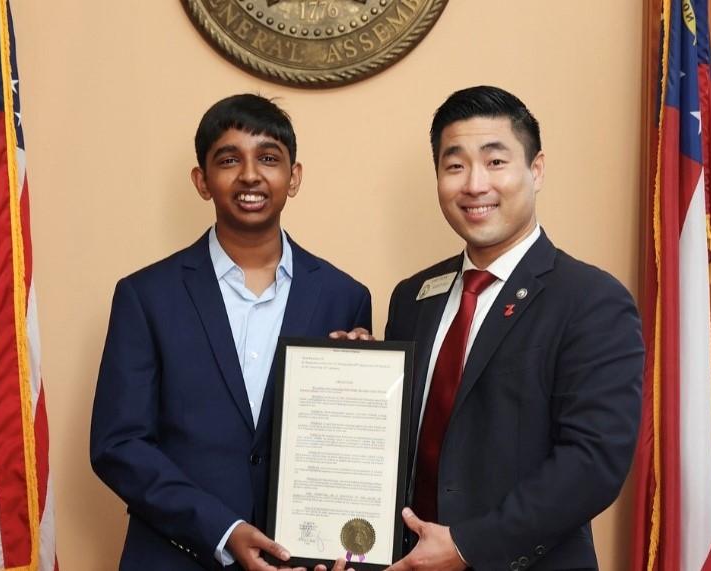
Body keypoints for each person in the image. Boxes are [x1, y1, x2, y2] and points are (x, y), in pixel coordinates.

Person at [341, 86, 644, 570]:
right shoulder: (413, 297)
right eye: (454, 165)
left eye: (496, 162)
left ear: (536, 169)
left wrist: (467, 546)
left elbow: (592, 464)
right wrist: (353, 377)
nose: (474, 184)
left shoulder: (591, 300)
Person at [91, 94, 371, 571]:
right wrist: (222, 530)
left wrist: (366, 389)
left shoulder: (345, 297)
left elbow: (352, 449)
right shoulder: (145, 295)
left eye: (268, 158)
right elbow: (119, 445)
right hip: (175, 558)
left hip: (303, 562)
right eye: (228, 159)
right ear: (202, 181)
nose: (249, 175)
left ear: (294, 177)